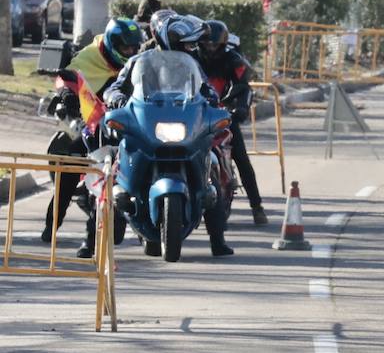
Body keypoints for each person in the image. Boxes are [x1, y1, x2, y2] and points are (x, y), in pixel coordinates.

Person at [105, 15, 235, 258]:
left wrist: (213, 102)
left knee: (214, 167)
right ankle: (95, 239)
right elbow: (115, 87)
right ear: (168, 40)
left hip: (185, 125)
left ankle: (218, 240)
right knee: (111, 170)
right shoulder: (139, 61)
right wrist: (116, 98)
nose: (189, 47)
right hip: (148, 125)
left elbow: (206, 90)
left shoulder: (193, 66)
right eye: (184, 43)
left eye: (190, 44)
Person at [44, 17, 142, 255]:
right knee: (71, 166)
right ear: (111, 43)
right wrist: (67, 95)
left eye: (133, 47)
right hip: (91, 124)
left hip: (126, 124)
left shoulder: (138, 62)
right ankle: (58, 226)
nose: (130, 52)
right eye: (125, 47)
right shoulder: (90, 57)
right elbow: (67, 77)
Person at [198, 20, 269, 226]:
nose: (210, 48)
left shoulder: (233, 60)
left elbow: (245, 88)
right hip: (195, 115)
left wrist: (241, 109)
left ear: (222, 44)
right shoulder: (191, 59)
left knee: (241, 158)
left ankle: (257, 207)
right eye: (207, 44)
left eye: (214, 45)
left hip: (223, 115)